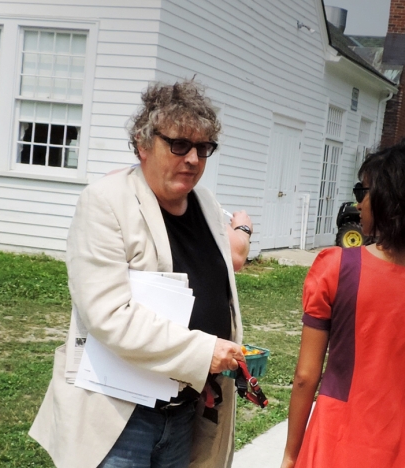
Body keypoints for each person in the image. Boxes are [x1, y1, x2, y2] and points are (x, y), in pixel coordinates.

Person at [30, 79, 253, 468]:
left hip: (185, 411)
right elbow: (109, 316)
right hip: (119, 418)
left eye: (203, 148)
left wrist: (243, 231)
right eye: (179, 145)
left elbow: (229, 259)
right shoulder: (105, 202)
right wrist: (205, 351)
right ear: (143, 144)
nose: (193, 159)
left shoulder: (205, 203)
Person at [281, 138, 405, 468]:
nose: (359, 204)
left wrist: (291, 454)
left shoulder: (336, 269)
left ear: (391, 199)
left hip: (333, 439)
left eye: (365, 192)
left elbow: (306, 376)